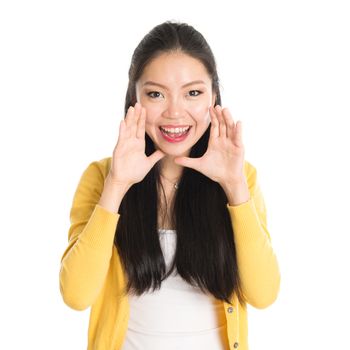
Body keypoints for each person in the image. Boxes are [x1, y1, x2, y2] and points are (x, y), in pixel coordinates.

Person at [59, 21, 280, 350]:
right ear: (134, 98)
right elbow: (76, 295)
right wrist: (117, 186)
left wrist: (234, 187)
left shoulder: (241, 177)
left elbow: (263, 295)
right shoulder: (102, 178)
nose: (175, 112)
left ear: (214, 97)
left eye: (193, 93)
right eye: (155, 94)